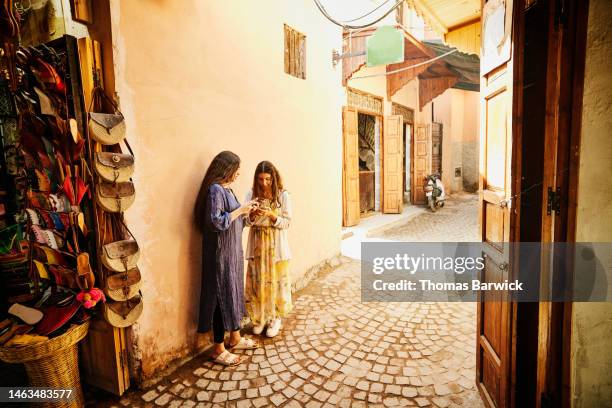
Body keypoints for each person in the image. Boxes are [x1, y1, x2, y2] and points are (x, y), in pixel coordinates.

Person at [194, 151, 260, 366]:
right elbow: (216, 221)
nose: (239, 173)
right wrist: (240, 209)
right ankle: (218, 349)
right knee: (219, 298)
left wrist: (248, 214)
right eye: (236, 168)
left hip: (232, 253)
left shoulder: (227, 190)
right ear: (225, 169)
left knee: (232, 294)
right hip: (220, 255)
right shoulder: (215, 190)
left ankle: (235, 338)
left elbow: (235, 222)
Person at [244, 161, 292, 338]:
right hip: (257, 245)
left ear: (274, 178)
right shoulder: (251, 194)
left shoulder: (282, 196)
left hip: (276, 246)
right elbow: (245, 221)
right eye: (261, 179)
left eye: (268, 179)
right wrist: (251, 215)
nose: (264, 183)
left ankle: (275, 318)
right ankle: (260, 318)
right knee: (258, 283)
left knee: (276, 283)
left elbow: (287, 222)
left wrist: (273, 216)